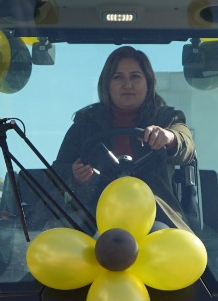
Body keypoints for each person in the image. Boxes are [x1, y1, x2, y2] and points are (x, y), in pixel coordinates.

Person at [54, 47, 194, 216]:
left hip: (157, 216)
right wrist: (74, 175)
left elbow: (186, 146)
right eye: (118, 77)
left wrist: (169, 137)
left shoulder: (167, 118)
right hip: (93, 218)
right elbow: (56, 175)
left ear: (148, 84)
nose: (127, 85)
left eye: (135, 76)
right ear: (107, 85)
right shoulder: (85, 125)